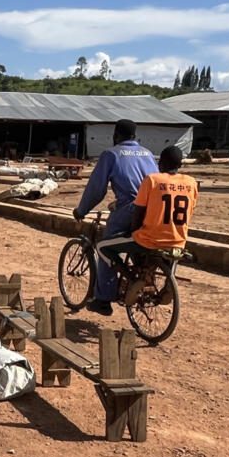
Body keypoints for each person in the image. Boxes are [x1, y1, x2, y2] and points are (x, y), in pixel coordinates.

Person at [73, 119, 157, 315]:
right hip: (153, 210)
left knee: (107, 245)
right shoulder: (148, 154)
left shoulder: (111, 154)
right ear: (135, 136)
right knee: (137, 244)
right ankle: (142, 276)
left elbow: (96, 189)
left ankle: (103, 299)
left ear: (116, 135)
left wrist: (82, 210)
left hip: (130, 209)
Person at [96, 145, 198, 272]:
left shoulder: (152, 180)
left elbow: (138, 211)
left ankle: (126, 274)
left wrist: (132, 232)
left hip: (150, 240)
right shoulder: (191, 183)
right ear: (180, 165)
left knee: (102, 246)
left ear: (161, 163)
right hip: (178, 241)